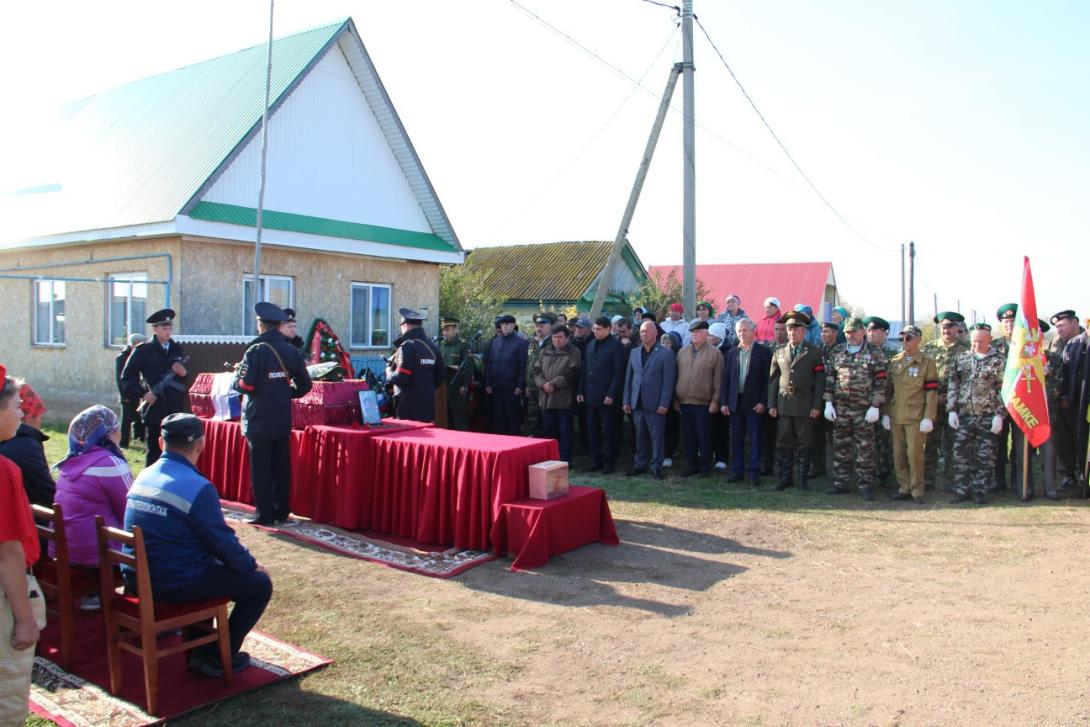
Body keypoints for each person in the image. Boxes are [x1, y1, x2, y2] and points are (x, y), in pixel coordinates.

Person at [124, 413, 271, 677]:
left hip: (137, 577)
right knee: (258, 585)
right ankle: (218, 657)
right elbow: (222, 543)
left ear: (161, 442)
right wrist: (251, 566)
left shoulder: (144, 475)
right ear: (201, 444)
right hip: (172, 581)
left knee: (208, 566)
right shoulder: (196, 486)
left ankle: (199, 652)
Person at [233, 303, 313, 526]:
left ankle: (264, 515)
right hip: (281, 417)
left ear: (260, 325)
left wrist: (235, 380)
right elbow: (306, 386)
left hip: (258, 418)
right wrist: (286, 392)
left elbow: (247, 386)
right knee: (281, 467)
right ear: (279, 326)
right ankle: (281, 511)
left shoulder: (255, 351)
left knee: (261, 470)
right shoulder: (291, 351)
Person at [53, 406, 133, 610]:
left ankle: (93, 594)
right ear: (109, 433)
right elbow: (131, 512)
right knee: (149, 540)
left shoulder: (71, 461)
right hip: (97, 554)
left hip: (65, 548)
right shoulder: (110, 463)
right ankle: (141, 610)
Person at [0, 367, 45, 727]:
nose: (21, 412)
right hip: (6, 599)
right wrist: (25, 620)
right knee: (8, 699)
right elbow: (9, 551)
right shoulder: (4, 470)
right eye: (16, 405)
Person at [823, 316, 888, 500]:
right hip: (841, 409)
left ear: (862, 332)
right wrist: (828, 402)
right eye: (847, 332)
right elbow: (830, 378)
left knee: (865, 449)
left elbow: (881, 382)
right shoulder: (838, 351)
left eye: (853, 331)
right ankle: (841, 483)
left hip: (864, 410)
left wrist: (875, 405)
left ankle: (865, 484)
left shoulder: (875, 352)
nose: (850, 335)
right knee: (840, 448)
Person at [120, 308, 189, 466]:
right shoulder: (144, 350)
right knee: (154, 452)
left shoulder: (176, 349)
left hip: (174, 407)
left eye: (170, 328)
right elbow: (127, 377)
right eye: (164, 328)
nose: (168, 332)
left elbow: (183, 380)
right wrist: (143, 394)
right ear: (155, 329)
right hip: (154, 407)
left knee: (174, 452)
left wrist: (184, 373)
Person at [947, 324, 1007, 505]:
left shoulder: (999, 360)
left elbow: (1005, 390)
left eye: (981, 341)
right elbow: (953, 384)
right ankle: (961, 490)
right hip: (965, 415)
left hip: (988, 415)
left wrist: (999, 414)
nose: (977, 344)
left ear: (989, 340)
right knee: (960, 454)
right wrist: (951, 410)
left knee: (985, 456)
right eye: (974, 341)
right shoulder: (961, 358)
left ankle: (979, 490)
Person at [768, 311, 825, 491]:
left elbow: (820, 380)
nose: (793, 333)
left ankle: (802, 480)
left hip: (805, 404)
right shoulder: (779, 351)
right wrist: (772, 404)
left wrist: (817, 406)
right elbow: (773, 380)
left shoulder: (814, 352)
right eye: (790, 329)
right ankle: (786, 478)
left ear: (804, 331)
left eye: (797, 329)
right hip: (784, 403)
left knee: (804, 442)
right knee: (784, 442)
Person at [883, 326, 938, 503]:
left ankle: (917, 490)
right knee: (898, 454)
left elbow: (931, 392)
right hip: (896, 415)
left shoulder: (927, 363)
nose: (905, 342)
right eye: (902, 339)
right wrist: (885, 413)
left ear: (918, 339)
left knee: (914, 455)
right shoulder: (894, 361)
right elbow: (887, 390)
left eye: (909, 338)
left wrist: (929, 416)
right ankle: (904, 487)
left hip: (916, 416)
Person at [922, 311, 970, 492]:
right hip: (933, 402)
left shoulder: (966, 348)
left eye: (950, 326)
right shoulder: (929, 348)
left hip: (956, 406)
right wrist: (934, 397)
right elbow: (923, 377)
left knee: (954, 445)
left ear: (958, 327)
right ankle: (927, 480)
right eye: (943, 327)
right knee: (930, 443)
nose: (946, 330)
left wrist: (952, 400)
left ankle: (952, 482)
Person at [623, 320, 676, 480]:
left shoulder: (666, 354)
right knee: (640, 436)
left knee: (657, 436)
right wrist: (626, 400)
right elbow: (629, 379)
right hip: (637, 401)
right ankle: (640, 464)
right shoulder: (634, 352)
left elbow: (669, 382)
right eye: (641, 332)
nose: (644, 334)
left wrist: (664, 403)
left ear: (655, 333)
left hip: (656, 404)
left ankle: (656, 466)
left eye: (647, 331)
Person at [722, 319, 772, 486]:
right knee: (736, 438)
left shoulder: (763, 352)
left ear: (752, 331)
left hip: (754, 402)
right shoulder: (731, 353)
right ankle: (737, 470)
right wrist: (724, 402)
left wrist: (763, 401)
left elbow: (768, 381)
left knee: (755, 438)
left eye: (745, 330)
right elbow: (725, 380)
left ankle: (753, 472)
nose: (742, 333)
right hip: (735, 402)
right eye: (739, 331)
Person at [674, 320, 723, 477]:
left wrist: (715, 400)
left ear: (706, 333)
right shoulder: (682, 351)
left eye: (698, 331)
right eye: (692, 332)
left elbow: (719, 380)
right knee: (688, 437)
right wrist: (675, 399)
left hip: (704, 403)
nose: (694, 334)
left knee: (704, 436)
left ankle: (705, 467)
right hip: (684, 402)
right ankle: (692, 465)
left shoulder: (715, 353)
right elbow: (676, 376)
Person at [579, 316, 626, 474]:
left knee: (609, 431)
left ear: (608, 329)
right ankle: (596, 460)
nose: (596, 332)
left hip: (607, 397)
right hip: (591, 395)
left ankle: (609, 462)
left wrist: (611, 394)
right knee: (592, 429)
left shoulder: (616, 347)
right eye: (594, 329)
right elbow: (585, 369)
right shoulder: (591, 344)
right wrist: (580, 390)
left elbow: (618, 374)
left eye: (599, 329)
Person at [533, 325, 582, 464]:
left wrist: (553, 384)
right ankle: (550, 459)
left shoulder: (574, 352)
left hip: (564, 399)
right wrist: (543, 384)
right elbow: (536, 370)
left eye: (560, 337)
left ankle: (565, 460)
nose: (557, 340)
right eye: (554, 337)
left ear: (567, 338)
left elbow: (572, 373)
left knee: (565, 432)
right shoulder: (545, 351)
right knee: (549, 431)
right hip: (546, 399)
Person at [0, 383, 54, 508]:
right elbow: (47, 495)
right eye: (17, 407)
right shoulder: (26, 446)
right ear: (31, 416)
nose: (20, 415)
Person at [387, 308, 444, 423]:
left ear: (405, 326)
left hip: (407, 410)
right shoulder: (433, 348)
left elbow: (401, 377)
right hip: (427, 408)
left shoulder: (407, 347)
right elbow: (440, 378)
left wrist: (388, 373)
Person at [1046, 310, 1079, 492]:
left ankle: (1083, 471)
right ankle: (1068, 473)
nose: (1058, 330)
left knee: (1080, 437)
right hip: (1057, 401)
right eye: (1056, 327)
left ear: (1074, 322)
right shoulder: (1055, 343)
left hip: (1079, 401)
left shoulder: (1085, 339)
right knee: (1062, 439)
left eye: (1062, 326)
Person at [864, 316, 897, 486]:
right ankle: (868, 474)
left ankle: (884, 474)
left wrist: (888, 410)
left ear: (885, 333)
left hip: (886, 404)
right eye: (868, 330)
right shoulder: (862, 352)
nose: (871, 334)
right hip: (865, 403)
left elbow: (895, 383)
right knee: (867, 441)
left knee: (885, 440)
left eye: (875, 330)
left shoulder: (893, 354)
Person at [485, 314, 527, 435]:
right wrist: (488, 383)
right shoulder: (495, 342)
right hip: (496, 386)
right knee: (499, 418)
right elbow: (490, 364)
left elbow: (523, 366)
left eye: (507, 324)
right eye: (502, 325)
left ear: (513, 325)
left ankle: (515, 445)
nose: (504, 327)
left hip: (512, 387)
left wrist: (520, 386)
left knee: (513, 418)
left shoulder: (521, 343)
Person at [810, 321, 841, 480]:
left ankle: (838, 470)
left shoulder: (841, 351)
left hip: (835, 400)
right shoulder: (817, 351)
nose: (823, 334)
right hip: (818, 399)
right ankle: (818, 467)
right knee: (816, 435)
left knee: (836, 437)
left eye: (827, 331)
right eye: (822, 332)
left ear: (835, 333)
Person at [525, 313, 557, 437]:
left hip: (546, 386)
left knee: (547, 417)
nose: (539, 328)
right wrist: (527, 384)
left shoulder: (554, 342)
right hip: (532, 386)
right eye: (537, 326)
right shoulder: (533, 342)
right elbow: (529, 363)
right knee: (533, 414)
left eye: (542, 325)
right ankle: (536, 439)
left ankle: (548, 443)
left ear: (550, 327)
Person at [438, 318, 473, 431]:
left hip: (458, 387)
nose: (445, 333)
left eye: (447, 330)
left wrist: (465, 385)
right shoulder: (442, 344)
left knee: (459, 418)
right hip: (444, 387)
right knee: (446, 417)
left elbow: (468, 366)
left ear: (455, 329)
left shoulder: (463, 345)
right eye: (443, 330)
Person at [115, 333, 147, 448]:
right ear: (134, 344)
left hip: (137, 391)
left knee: (138, 417)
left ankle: (139, 438)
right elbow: (120, 379)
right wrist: (125, 396)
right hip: (127, 394)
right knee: (126, 419)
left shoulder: (138, 356)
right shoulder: (122, 358)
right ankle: (123, 443)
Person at [658, 332, 683, 467]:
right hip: (658, 398)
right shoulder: (656, 356)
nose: (666, 345)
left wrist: (676, 398)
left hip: (673, 398)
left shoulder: (678, 358)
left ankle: (669, 453)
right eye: (663, 342)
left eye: (668, 342)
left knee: (671, 427)